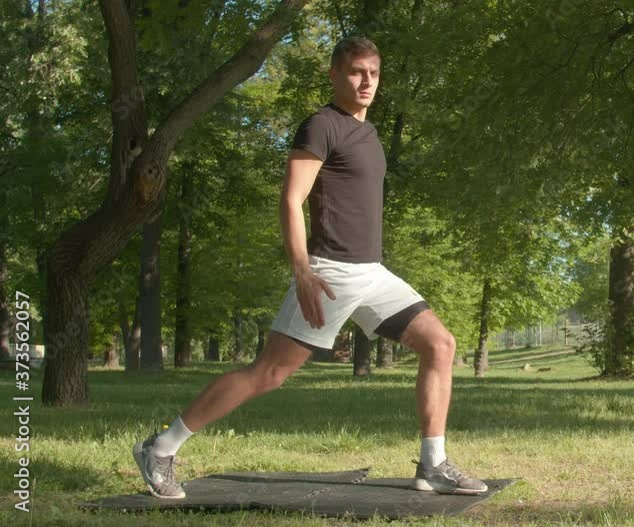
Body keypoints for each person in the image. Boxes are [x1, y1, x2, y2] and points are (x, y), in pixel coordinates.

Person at [132, 36, 487, 499]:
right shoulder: (321, 125)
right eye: (356, 72)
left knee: (440, 343)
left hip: (372, 273)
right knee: (269, 373)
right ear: (335, 74)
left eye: (374, 73)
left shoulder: (369, 134)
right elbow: (291, 198)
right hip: (330, 272)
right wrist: (302, 269)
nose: (366, 81)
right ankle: (160, 447)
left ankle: (433, 464)